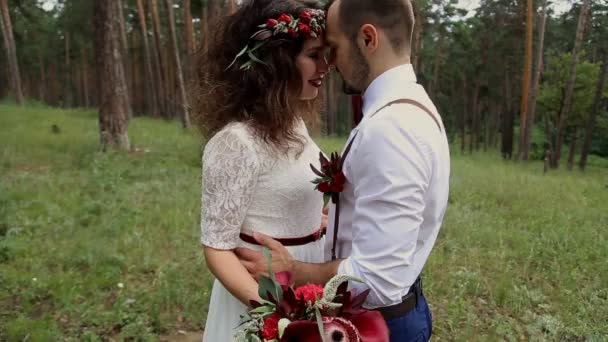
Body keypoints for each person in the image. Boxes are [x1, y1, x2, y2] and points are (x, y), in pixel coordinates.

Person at [235, 0, 451, 340]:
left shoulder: (392, 129)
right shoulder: (408, 108)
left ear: (368, 39)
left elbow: (376, 280)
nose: (330, 63)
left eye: (333, 48)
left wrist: (294, 270)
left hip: (377, 325)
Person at [190, 0, 330, 340]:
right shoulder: (235, 143)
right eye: (313, 55)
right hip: (263, 299)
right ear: (276, 63)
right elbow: (217, 249)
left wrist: (315, 217)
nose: (325, 66)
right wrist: (278, 316)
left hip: (307, 282)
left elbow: (283, 190)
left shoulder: (294, 122)